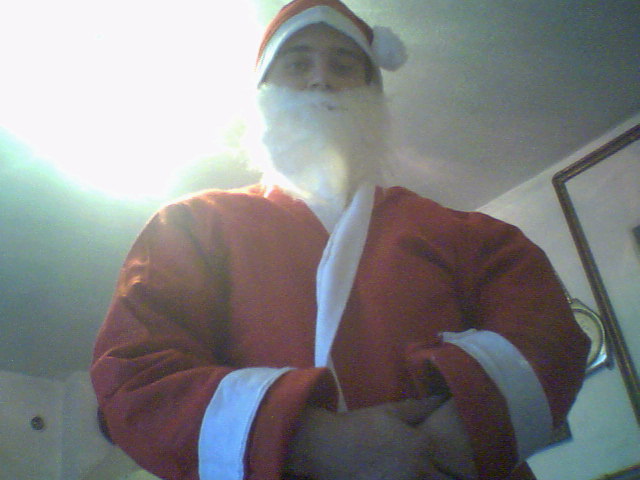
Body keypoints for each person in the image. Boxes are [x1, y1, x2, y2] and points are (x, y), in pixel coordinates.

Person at [90, 1, 590, 479]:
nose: (320, 78)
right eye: (297, 62)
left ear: (373, 92)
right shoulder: (188, 226)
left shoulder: (473, 236)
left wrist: (449, 437)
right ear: (261, 92)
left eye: (344, 64)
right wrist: (311, 440)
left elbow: (548, 335)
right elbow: (136, 379)